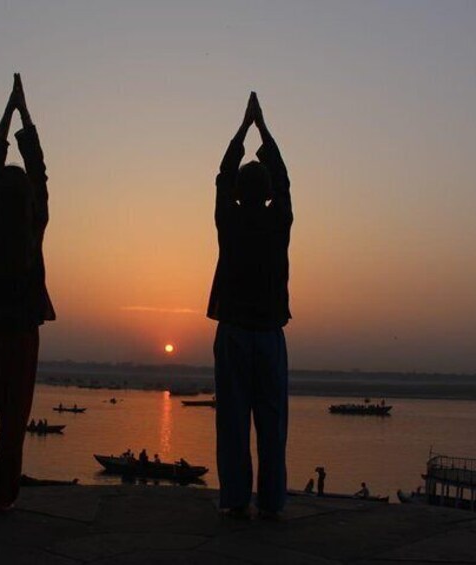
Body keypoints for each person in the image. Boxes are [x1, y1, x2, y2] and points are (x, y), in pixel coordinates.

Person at [0, 74, 55, 512]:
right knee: (14, 422)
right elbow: (38, 171)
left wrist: (8, 114)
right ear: (29, 202)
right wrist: (25, 116)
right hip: (21, 335)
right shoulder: (34, 223)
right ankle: (3, 495)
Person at [208, 92, 292, 521]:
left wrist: (244, 128)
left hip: (236, 332)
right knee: (272, 426)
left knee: (234, 422)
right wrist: (262, 129)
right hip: (269, 334)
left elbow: (222, 175)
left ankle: (237, 498)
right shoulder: (280, 220)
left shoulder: (230, 218)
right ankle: (272, 501)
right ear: (270, 194)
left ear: (241, 193)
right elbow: (284, 180)